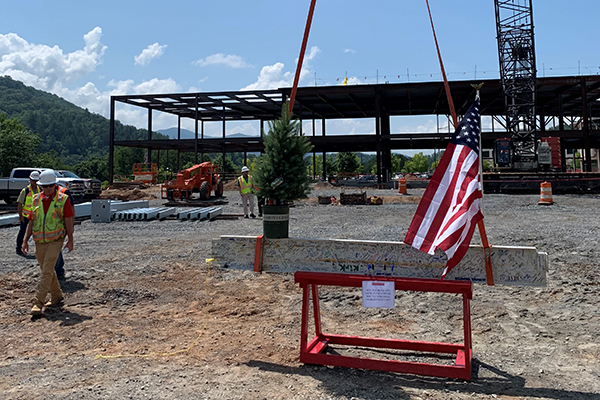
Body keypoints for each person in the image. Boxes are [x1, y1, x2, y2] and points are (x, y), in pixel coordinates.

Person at [22, 169, 75, 316]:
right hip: (40, 241)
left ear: (55, 185)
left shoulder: (62, 199)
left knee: (46, 270)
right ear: (40, 186)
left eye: (50, 186)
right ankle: (57, 295)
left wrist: (70, 240)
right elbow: (31, 222)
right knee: (47, 270)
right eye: (45, 186)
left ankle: (38, 303)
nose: (48, 189)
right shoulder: (36, 199)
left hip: (56, 240)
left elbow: (69, 221)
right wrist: (25, 241)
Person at [16, 171, 41, 258]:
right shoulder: (25, 191)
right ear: (30, 180)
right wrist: (20, 216)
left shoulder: (40, 190)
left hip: (36, 216)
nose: (35, 182)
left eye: (37, 181)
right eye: (34, 180)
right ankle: (19, 248)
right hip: (26, 216)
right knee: (23, 232)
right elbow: (20, 203)